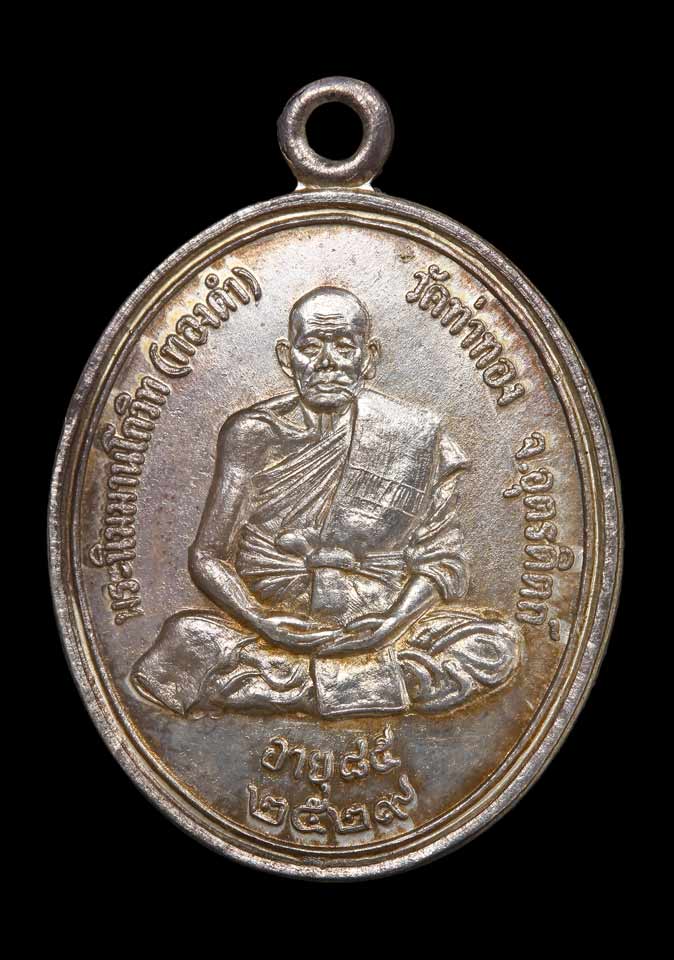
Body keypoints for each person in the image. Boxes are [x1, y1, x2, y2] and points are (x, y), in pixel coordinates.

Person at [131, 287, 521, 718]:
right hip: (278, 621)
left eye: (344, 347)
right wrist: (260, 619)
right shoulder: (253, 433)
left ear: (368, 357)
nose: (327, 362)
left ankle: (283, 684)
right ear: (287, 358)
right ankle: (362, 683)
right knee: (186, 636)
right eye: (311, 346)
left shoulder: (413, 436)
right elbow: (208, 555)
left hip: (375, 616)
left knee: (494, 646)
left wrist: (389, 625)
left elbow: (441, 560)